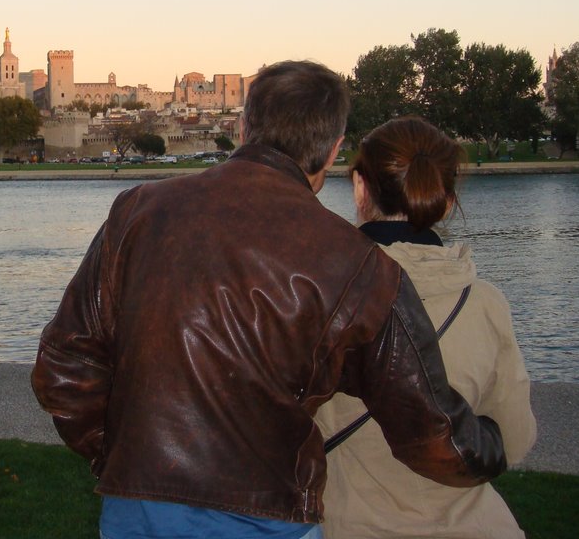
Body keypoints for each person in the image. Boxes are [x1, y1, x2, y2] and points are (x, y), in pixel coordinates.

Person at [32, 60, 507, 539]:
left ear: (242, 129)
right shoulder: (357, 264)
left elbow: (65, 368)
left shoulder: (138, 211)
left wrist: (125, 458)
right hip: (265, 517)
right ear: (333, 150)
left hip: (137, 513)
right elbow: (429, 427)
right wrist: (493, 444)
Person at [316, 116, 536, 539]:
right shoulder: (486, 304)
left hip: (351, 524)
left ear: (360, 188)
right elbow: (514, 437)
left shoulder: (320, 297)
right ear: (446, 200)